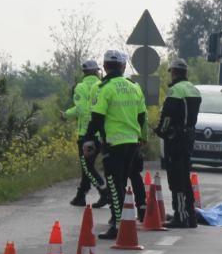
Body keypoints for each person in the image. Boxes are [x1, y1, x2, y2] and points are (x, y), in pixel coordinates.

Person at [85, 50, 147, 240]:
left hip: (114, 143)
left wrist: (89, 139)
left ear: (104, 67)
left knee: (114, 184)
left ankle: (118, 224)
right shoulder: (134, 87)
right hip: (132, 143)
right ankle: (126, 219)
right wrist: (142, 137)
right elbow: (142, 116)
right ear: (123, 67)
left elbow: (97, 117)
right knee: (124, 181)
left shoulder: (106, 88)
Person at [155, 58, 202, 228]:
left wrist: (160, 130)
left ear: (174, 72)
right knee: (185, 178)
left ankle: (180, 216)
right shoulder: (194, 90)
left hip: (175, 139)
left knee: (176, 179)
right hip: (189, 137)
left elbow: (168, 116)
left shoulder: (175, 90)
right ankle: (190, 216)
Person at [65, 59, 109, 207]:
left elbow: (80, 110)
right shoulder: (103, 85)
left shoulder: (81, 87)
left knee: (87, 167)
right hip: (102, 132)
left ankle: (104, 191)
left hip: (86, 134)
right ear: (96, 71)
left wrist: (65, 114)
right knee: (87, 166)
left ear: (84, 72)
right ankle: (81, 196)